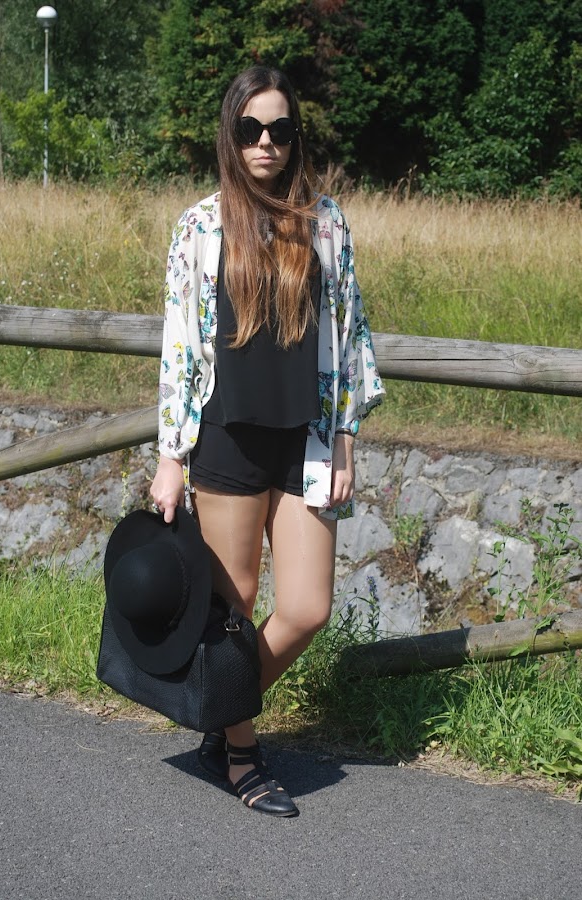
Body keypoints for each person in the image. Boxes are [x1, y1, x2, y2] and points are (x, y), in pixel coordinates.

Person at [150, 65, 384, 817]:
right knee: (237, 606)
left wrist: (345, 437)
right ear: (231, 134)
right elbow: (179, 346)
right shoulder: (200, 225)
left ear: (295, 137)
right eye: (250, 128)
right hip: (226, 437)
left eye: (280, 129)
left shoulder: (326, 222)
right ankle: (243, 753)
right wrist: (170, 455)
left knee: (308, 607)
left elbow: (350, 331)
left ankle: (217, 714)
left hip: (306, 439)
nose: (265, 143)